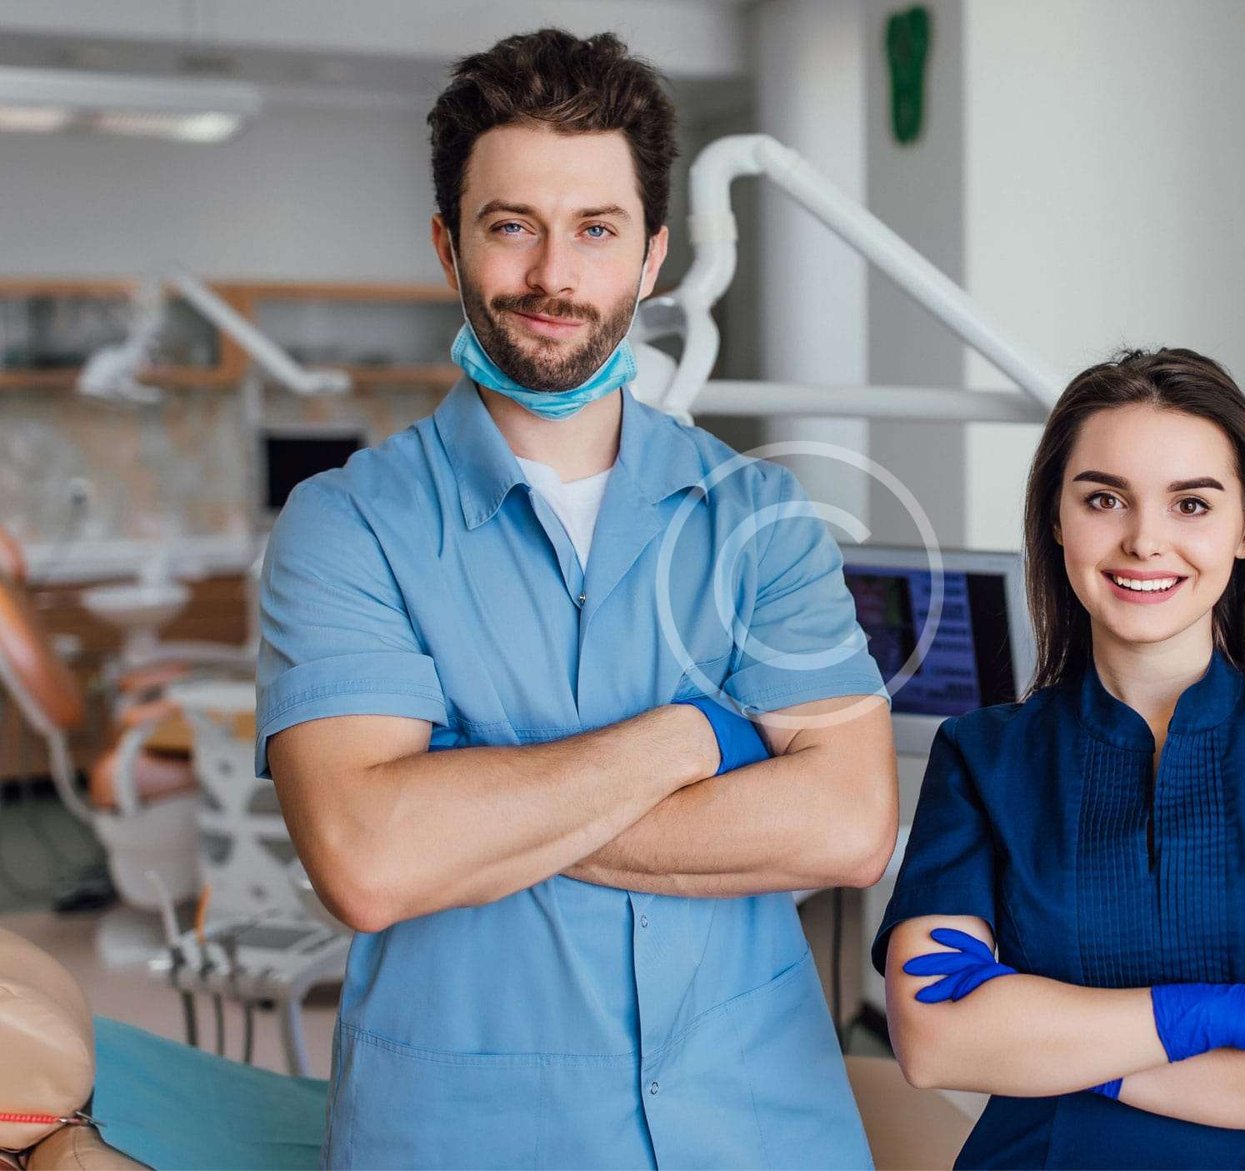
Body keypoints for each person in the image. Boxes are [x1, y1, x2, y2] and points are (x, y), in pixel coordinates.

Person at [256, 29, 896, 1169]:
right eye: (513, 226)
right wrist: (695, 737)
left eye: (596, 230)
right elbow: (371, 860)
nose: (555, 276)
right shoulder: (346, 526)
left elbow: (847, 824)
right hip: (468, 1136)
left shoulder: (759, 516)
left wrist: (477, 807)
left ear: (650, 258)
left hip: (756, 1127)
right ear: (449, 244)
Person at [872, 348, 1245, 1169]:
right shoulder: (983, 757)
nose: (1144, 540)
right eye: (1103, 498)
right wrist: (1219, 1014)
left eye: (1191, 503)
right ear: (1056, 520)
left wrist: (1059, 1051)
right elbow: (935, 1041)